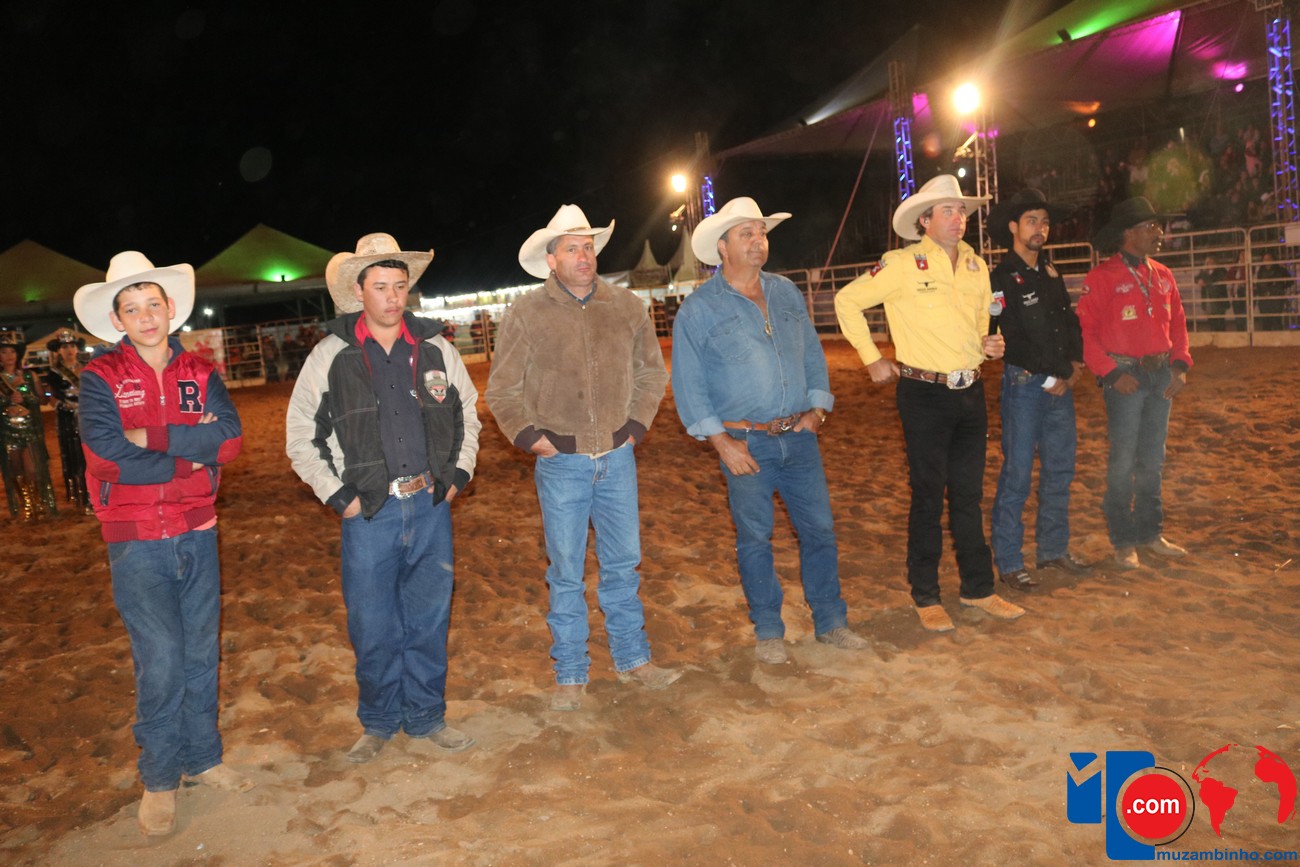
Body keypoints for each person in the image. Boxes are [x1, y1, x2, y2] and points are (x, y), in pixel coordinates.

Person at [73, 252, 252, 837]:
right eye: (132, 308)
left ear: (171, 308)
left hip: (196, 530)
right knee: (162, 658)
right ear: (117, 320)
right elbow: (104, 457)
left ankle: (204, 758)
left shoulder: (200, 372)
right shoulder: (99, 377)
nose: (146, 316)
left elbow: (229, 442)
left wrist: (147, 438)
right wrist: (187, 458)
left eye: (153, 304)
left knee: (200, 650)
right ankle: (159, 777)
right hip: (136, 539)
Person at [286, 233, 480, 762]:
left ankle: (426, 716)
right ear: (358, 290)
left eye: (399, 285)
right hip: (369, 511)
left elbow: (467, 412)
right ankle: (377, 722)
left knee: (429, 619)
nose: (393, 297)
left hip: (430, 505)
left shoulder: (437, 348)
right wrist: (339, 496)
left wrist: (458, 474)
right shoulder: (330, 356)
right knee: (372, 625)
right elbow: (300, 434)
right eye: (380, 286)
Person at [485, 204, 679, 711]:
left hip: (617, 455)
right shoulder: (526, 313)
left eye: (588, 246)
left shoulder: (626, 306)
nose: (583, 255)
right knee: (567, 570)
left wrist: (635, 426)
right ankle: (570, 670)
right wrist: (532, 438)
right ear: (551, 260)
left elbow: (652, 373)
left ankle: (633, 657)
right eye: (572, 248)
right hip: (562, 462)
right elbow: (502, 389)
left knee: (623, 564)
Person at [671, 197, 869, 664]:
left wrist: (817, 410)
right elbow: (688, 383)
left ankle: (831, 622)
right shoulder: (698, 310)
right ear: (722, 247)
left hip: (798, 434)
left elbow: (812, 353)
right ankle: (768, 630)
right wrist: (722, 443)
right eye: (747, 233)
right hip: (745, 441)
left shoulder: (785, 292)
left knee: (820, 530)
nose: (759, 240)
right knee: (755, 538)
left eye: (761, 232)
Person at [835, 174, 1025, 632]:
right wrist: (872, 358)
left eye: (961, 211)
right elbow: (846, 301)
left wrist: (991, 346)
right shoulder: (901, 264)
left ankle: (978, 589)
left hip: (970, 390)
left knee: (967, 495)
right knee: (927, 495)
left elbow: (982, 327)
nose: (958, 219)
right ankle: (926, 594)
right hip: (923, 394)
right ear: (925, 220)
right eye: (948, 211)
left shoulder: (977, 266)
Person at [1078, 197, 1192, 570]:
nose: (1159, 232)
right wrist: (1111, 373)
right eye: (1151, 227)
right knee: (1125, 458)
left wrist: (1180, 365)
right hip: (1125, 376)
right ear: (1129, 233)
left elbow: (1178, 323)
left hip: (1160, 375)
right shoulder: (1101, 277)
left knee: (1152, 458)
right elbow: (1086, 333)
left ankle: (1149, 533)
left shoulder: (1163, 274)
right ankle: (1124, 540)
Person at [985, 189, 1091, 591]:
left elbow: (1069, 322)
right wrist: (1054, 376)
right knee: (1018, 475)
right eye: (1032, 221)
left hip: (1056, 384)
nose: (1040, 229)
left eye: (1044, 222)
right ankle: (1010, 562)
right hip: (1027, 385)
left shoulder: (1050, 272)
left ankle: (1052, 550)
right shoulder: (1001, 278)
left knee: (1059, 470)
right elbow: (1009, 335)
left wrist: (1075, 365)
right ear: (1013, 227)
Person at [0, 329, 58, 520]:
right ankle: (26, 505)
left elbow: (41, 400)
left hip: (29, 428)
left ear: (18, 354)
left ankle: (38, 503)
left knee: (32, 468)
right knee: (15, 469)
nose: (9, 356)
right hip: (7, 429)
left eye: (12, 351)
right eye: (4, 352)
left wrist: (25, 394)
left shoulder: (29, 376)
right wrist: (7, 401)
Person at [43, 328, 92, 513]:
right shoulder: (54, 373)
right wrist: (64, 406)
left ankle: (97, 493)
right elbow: (50, 396)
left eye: (72, 346)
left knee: (93, 455)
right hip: (68, 420)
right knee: (76, 456)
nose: (69, 350)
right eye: (64, 347)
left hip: (89, 417)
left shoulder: (88, 368)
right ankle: (83, 496)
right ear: (58, 350)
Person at [1255, 250, 1292, 331]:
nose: (1267, 261)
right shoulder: (1261, 271)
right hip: (1264, 299)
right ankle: (1267, 337)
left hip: (1276, 299)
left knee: (1276, 320)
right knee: (1266, 322)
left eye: (1269, 259)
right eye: (1265, 259)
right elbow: (1258, 284)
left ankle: (1278, 337)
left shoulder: (1280, 270)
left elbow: (1290, 281)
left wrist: (1280, 287)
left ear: (1273, 259)